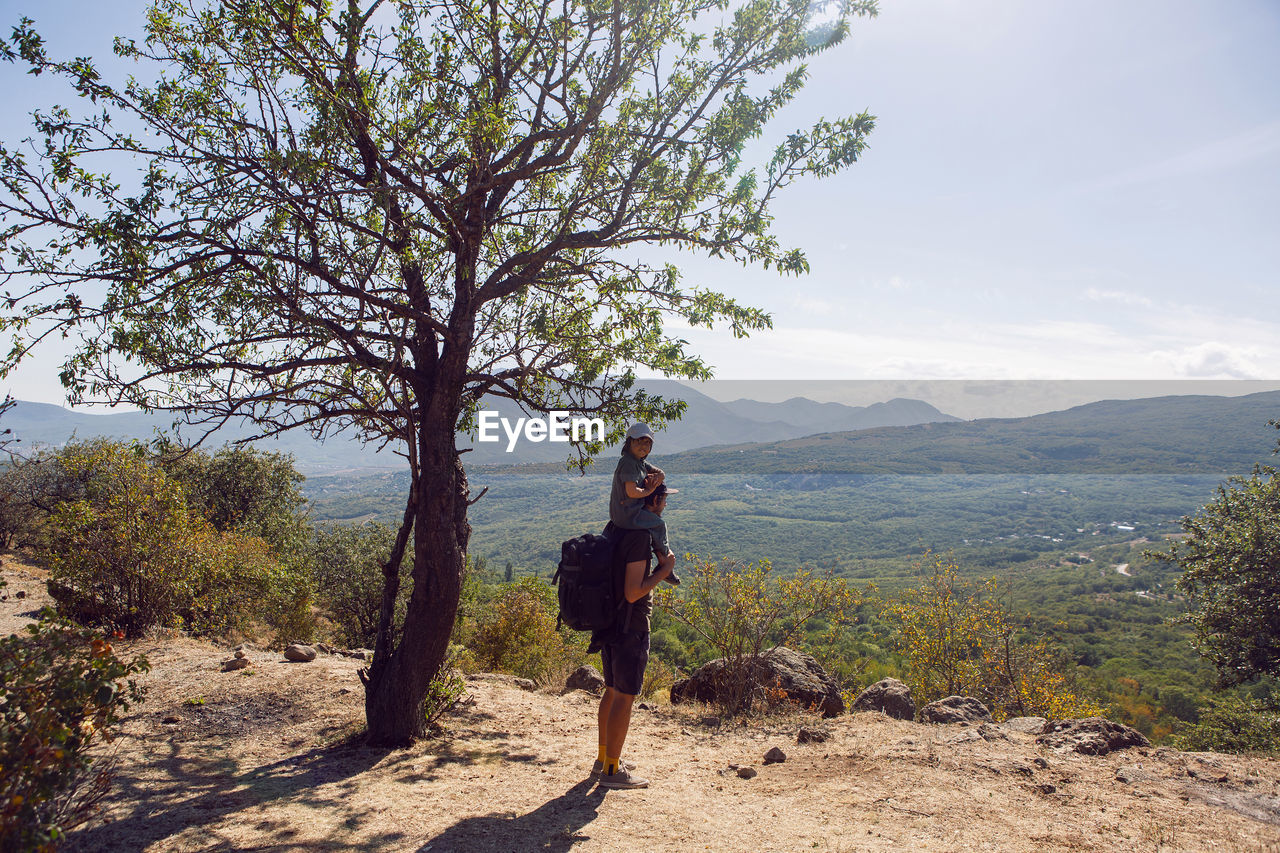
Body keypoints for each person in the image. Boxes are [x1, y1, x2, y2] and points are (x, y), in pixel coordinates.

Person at [592, 483, 678, 789]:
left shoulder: (616, 527)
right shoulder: (641, 537)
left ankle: (604, 759)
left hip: (609, 620)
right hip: (631, 625)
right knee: (625, 696)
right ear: (653, 501)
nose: (665, 506)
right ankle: (613, 772)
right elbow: (633, 592)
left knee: (612, 690)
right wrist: (664, 570)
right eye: (664, 500)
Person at [609, 422, 678, 584]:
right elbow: (631, 491)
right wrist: (649, 491)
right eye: (638, 441)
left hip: (626, 512)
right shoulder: (628, 462)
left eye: (647, 442)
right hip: (628, 514)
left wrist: (657, 477)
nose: (643, 446)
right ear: (629, 443)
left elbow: (661, 473)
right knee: (659, 524)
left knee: (653, 526)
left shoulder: (638, 462)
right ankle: (664, 562)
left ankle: (660, 557)